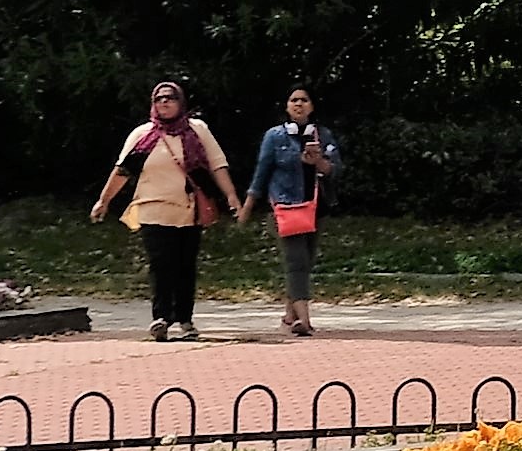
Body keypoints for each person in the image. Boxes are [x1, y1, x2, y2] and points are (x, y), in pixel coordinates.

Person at [90, 78, 238, 342]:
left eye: (170, 97)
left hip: (188, 210)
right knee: (161, 263)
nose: (164, 102)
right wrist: (104, 201)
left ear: (181, 102)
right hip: (152, 208)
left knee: (185, 265)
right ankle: (161, 318)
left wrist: (230, 196)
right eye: (159, 99)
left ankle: (184, 319)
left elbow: (217, 165)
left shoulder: (197, 130)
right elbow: (123, 171)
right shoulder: (143, 135)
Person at [250, 87, 341, 340]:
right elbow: (262, 171)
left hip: (315, 207)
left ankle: (289, 316)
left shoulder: (322, 135)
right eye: (293, 100)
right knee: (296, 261)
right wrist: (248, 204)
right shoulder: (275, 136)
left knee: (306, 261)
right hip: (285, 206)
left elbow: (335, 169)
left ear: (312, 106)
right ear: (287, 106)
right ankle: (304, 320)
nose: (298, 104)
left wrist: (318, 162)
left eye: (304, 100)